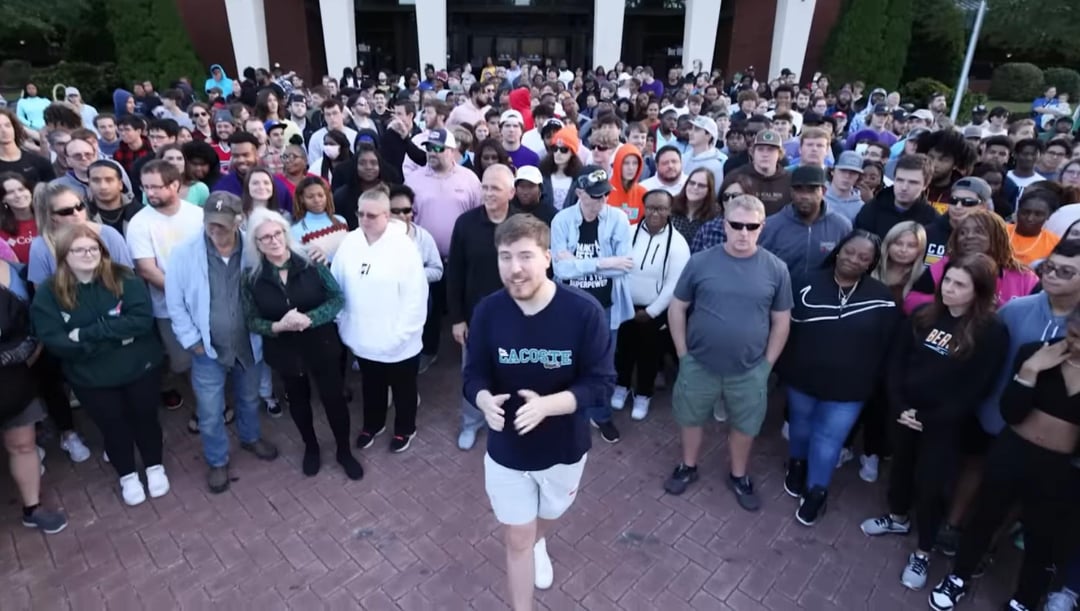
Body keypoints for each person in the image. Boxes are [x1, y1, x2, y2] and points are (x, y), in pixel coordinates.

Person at [463, 213, 615, 610]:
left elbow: (601, 384)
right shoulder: (488, 311)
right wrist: (482, 399)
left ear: (548, 258)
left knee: (546, 517)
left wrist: (548, 405)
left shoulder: (583, 312)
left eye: (526, 256)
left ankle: (539, 537)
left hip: (564, 448)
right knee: (516, 538)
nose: (515, 269)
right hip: (507, 450)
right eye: (505, 256)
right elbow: (473, 373)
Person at [859, 253, 1009, 591]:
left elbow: (976, 389)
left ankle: (923, 552)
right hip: (904, 414)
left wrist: (927, 417)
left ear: (979, 290)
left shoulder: (991, 332)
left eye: (960, 284)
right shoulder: (924, 315)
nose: (949, 289)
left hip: (944, 425)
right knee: (899, 469)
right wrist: (900, 406)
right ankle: (897, 518)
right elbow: (897, 362)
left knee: (931, 487)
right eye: (948, 281)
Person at [929, 307, 1080, 611]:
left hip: (1058, 466)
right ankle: (958, 577)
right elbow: (1010, 412)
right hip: (1013, 450)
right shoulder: (1035, 353)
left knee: (1042, 536)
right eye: (1075, 334)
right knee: (985, 517)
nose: (1076, 344)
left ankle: (1024, 600)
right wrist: (1029, 373)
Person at [664, 194, 792, 511]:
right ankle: (688, 466)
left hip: (749, 370)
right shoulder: (700, 261)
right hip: (699, 364)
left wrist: (766, 366)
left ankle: (739, 474)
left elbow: (781, 321)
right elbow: (677, 308)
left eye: (751, 226)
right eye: (736, 225)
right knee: (690, 418)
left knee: (745, 425)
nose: (743, 233)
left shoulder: (776, 269)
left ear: (762, 227)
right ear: (725, 225)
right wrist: (682, 354)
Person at [30, 224, 168, 506]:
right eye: (78, 249)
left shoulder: (123, 277)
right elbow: (55, 340)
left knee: (145, 417)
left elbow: (141, 320)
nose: (87, 254)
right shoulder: (49, 293)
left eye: (93, 248)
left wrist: (86, 333)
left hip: (140, 367)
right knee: (112, 425)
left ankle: (155, 467)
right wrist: (117, 336)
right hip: (90, 376)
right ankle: (127, 475)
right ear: (64, 255)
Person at [778, 230, 898, 525]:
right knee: (801, 427)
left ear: (871, 263)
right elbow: (785, 329)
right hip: (802, 376)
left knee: (828, 439)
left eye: (863, 257)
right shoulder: (805, 282)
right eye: (849, 252)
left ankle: (817, 491)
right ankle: (797, 464)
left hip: (850, 387)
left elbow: (887, 347)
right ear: (838, 250)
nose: (854, 259)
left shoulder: (882, 298)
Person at [165, 192, 279, 493]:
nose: (215, 230)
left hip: (247, 343)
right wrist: (192, 340)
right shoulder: (183, 253)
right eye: (210, 224)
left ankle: (250, 437)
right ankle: (217, 460)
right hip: (207, 348)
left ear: (238, 221)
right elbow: (175, 302)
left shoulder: (255, 248)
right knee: (210, 410)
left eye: (223, 225)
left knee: (249, 398)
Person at [242, 208, 362, 478]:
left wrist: (311, 318)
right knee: (298, 401)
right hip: (285, 350)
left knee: (334, 399)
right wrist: (277, 326)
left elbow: (337, 298)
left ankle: (344, 451)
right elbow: (251, 320)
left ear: (286, 234)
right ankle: (311, 447)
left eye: (277, 234)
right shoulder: (251, 278)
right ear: (257, 244)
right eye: (265, 238)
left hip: (322, 343)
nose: (273, 241)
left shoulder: (311, 261)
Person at [332, 190, 428, 453]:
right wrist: (344, 325)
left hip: (399, 340)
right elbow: (336, 285)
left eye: (372, 215)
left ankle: (405, 428)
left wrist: (400, 335)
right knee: (371, 385)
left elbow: (415, 297)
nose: (365, 220)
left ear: (387, 215)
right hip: (362, 337)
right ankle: (373, 424)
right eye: (360, 214)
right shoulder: (350, 243)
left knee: (403, 389)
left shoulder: (404, 247)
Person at [551, 165, 634, 444]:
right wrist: (603, 262)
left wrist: (577, 264)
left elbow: (624, 266)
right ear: (579, 193)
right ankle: (568, 410)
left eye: (604, 196)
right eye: (594, 196)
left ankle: (601, 413)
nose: (601, 202)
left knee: (603, 365)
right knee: (568, 362)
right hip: (570, 309)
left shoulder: (619, 219)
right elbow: (560, 271)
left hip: (606, 307)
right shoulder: (561, 220)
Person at [448, 165, 519, 451]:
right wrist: (456, 319)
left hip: (516, 318)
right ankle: (472, 422)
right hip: (476, 318)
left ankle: (508, 420)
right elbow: (455, 273)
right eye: (485, 187)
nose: (488, 193)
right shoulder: (465, 224)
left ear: (511, 193)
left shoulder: (523, 225)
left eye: (495, 188)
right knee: (473, 373)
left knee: (513, 372)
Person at [125, 160, 205, 410]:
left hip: (206, 300)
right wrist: (183, 296)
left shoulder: (197, 215)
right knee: (185, 361)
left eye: (156, 187)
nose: (149, 193)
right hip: (169, 308)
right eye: (145, 187)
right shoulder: (139, 223)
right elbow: (147, 270)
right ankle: (202, 406)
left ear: (175, 184)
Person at [0, 251, 67, 534]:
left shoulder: (11, 270)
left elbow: (32, 321)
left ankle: (32, 507)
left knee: (23, 444)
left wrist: (28, 352)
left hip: (13, 381)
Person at [406, 128, 483, 372]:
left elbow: (478, 213)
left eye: (438, 148)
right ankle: (428, 350)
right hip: (427, 258)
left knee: (467, 303)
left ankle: (472, 352)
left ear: (452, 152)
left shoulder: (469, 178)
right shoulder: (414, 179)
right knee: (429, 308)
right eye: (429, 148)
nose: (432, 153)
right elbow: (407, 217)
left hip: (462, 257)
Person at [615, 189, 689, 421]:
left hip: (654, 312)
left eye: (662, 208)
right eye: (651, 207)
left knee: (649, 355)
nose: (655, 213)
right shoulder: (627, 233)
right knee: (623, 351)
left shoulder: (678, 243)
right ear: (644, 207)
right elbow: (617, 267)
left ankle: (643, 395)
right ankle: (622, 385)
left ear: (669, 210)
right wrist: (624, 302)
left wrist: (652, 311)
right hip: (626, 306)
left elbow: (674, 283)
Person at [906, 209, 1039, 314]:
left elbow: (1034, 318)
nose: (969, 236)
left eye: (979, 231)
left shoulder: (1025, 277)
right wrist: (950, 303)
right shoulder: (942, 266)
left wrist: (1000, 307)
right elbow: (910, 302)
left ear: (997, 237)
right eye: (962, 232)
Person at [759, 165, 853, 277]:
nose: (805, 196)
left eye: (811, 190)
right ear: (791, 192)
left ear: (823, 191)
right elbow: (761, 268)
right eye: (799, 190)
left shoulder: (841, 227)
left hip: (824, 293)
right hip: (784, 293)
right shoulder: (771, 226)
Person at [854, 154, 939, 239]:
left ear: (925, 185)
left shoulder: (932, 219)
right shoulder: (871, 209)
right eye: (900, 180)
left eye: (913, 182)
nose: (904, 187)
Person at [290, 176, 350, 264]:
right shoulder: (296, 230)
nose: (317, 200)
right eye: (310, 197)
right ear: (302, 199)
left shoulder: (340, 220)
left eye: (321, 195)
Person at [1007, 188, 1061, 267]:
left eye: (1038, 214)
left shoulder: (1054, 243)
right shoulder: (998, 231)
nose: (1030, 218)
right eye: (1025, 212)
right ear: (1018, 211)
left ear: (1049, 215)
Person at [670, 167, 720, 245]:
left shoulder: (715, 215)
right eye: (692, 183)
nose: (695, 187)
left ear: (709, 190)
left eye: (701, 185)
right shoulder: (671, 205)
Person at [538, 127, 583, 210]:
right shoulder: (542, 174)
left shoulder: (579, 179)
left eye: (564, 150)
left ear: (572, 153)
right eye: (555, 149)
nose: (558, 153)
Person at [0, 172, 38, 263]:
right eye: (10, 192)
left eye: (21, 189)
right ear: (3, 199)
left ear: (30, 191)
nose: (18, 195)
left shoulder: (48, 218)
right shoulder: (2, 230)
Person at [825, 151, 865, 222]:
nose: (847, 176)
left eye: (853, 173)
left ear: (858, 176)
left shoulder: (861, 207)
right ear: (832, 171)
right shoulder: (817, 197)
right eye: (843, 171)